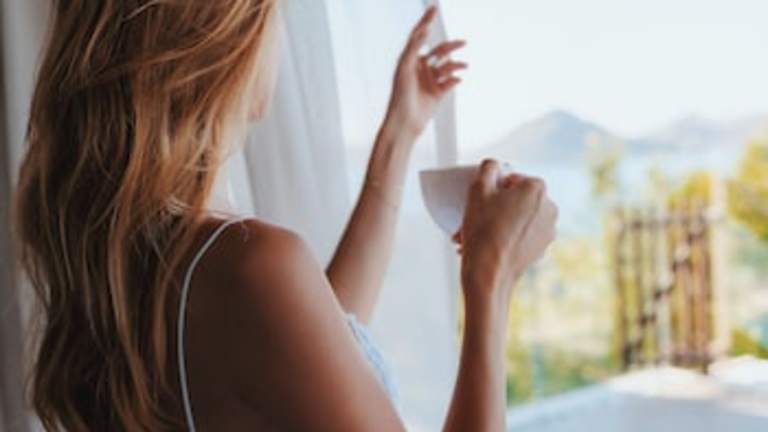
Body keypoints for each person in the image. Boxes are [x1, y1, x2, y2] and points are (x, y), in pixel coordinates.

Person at [15, 1, 557, 430]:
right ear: (225, 42)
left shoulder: (138, 251)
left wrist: (399, 133)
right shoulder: (245, 263)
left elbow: (310, 348)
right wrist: (491, 276)